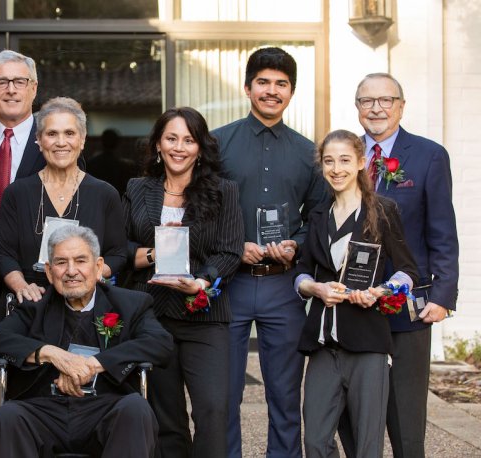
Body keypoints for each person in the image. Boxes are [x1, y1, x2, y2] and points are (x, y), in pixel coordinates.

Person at [211, 46, 327, 458]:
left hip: (283, 286)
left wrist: (296, 241)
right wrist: (229, 245)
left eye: (281, 84)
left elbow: (318, 214)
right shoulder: (217, 143)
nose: (272, 91)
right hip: (229, 285)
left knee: (284, 393)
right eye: (263, 82)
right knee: (223, 394)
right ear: (247, 87)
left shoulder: (309, 153)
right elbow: (203, 208)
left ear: (291, 93)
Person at [337, 73, 460, 458]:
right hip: (353, 303)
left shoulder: (428, 155)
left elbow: (442, 230)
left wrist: (442, 295)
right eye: (367, 101)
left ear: (401, 106)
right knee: (352, 414)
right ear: (356, 107)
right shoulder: (342, 157)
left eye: (385, 100)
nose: (376, 108)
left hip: (407, 305)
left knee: (406, 417)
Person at [0, 225, 173, 458]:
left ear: (98, 266)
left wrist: (94, 364)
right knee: (8, 416)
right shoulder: (35, 306)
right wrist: (52, 354)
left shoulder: (131, 303)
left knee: (136, 408)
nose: (71, 271)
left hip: (105, 408)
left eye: (81, 261)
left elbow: (160, 343)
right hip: (46, 410)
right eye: (61, 263)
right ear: (50, 272)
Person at [123, 107, 244, 457]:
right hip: (152, 316)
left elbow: (230, 251)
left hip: (203, 317)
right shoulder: (136, 188)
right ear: (158, 145)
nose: (179, 147)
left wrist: (202, 282)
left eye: (188, 140)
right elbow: (120, 248)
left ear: (201, 148)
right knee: (166, 416)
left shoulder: (224, 191)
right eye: (171, 138)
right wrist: (155, 255)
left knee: (212, 410)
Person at [295, 130, 418, 457]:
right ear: (321, 166)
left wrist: (380, 291)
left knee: (367, 446)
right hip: (323, 344)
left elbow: (409, 272)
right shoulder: (318, 214)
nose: (337, 169)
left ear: (362, 162)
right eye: (329, 161)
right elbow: (302, 272)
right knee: (316, 442)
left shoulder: (382, 210)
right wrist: (315, 288)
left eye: (345, 160)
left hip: (368, 344)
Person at [0, 96, 128, 306]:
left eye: (69, 133)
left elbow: (118, 253)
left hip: (85, 305)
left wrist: (84, 277)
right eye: (51, 134)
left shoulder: (105, 194)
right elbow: (4, 252)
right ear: (38, 140)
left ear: (82, 139)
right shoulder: (17, 193)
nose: (61, 142)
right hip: (30, 303)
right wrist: (21, 286)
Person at [0, 50, 45, 202]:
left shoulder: (52, 143)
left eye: (20, 82)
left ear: (33, 89)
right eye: (2, 82)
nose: (11, 90)